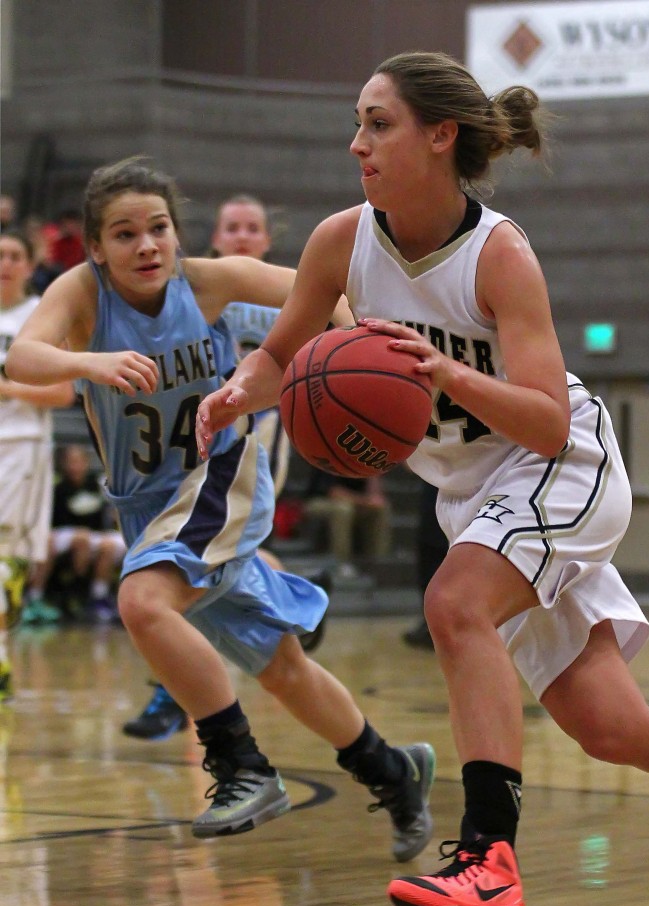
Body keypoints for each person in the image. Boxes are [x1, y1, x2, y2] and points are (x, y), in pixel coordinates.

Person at [194, 52, 649, 906]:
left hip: (562, 465)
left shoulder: (499, 254)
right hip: (476, 494)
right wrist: (237, 392)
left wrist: (446, 370)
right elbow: (284, 355)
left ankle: (487, 857)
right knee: (608, 725)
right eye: (359, 122)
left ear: (439, 135)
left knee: (454, 604)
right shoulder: (342, 241)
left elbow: (547, 423)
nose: (356, 142)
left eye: (378, 123)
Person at [6, 157, 435, 858]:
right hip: (145, 504)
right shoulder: (83, 295)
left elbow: (321, 290)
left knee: (143, 603)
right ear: (94, 247)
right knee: (283, 666)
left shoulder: (208, 282)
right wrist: (89, 363)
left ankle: (242, 768)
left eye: (158, 228)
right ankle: (390, 769)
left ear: (177, 234)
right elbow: (22, 359)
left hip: (216, 478)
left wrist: (358, 347)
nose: (145, 245)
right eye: (123, 234)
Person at [122, 192, 342, 740]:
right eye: (232, 227)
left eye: (251, 228)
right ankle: (292, 598)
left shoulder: (282, 298)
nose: (242, 236)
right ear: (216, 239)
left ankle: (173, 693)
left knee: (195, 560)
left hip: (254, 437)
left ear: (266, 240)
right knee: (203, 562)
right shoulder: (201, 295)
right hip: (186, 440)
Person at [0, 231, 74, 698]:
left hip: (19, 444)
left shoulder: (38, 318)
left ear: (30, 266)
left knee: (5, 557)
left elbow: (63, 391)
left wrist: (8, 389)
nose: (5, 263)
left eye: (14, 256)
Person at [40, 443, 126, 623]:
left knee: (110, 545)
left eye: (79, 461)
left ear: (86, 463)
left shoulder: (96, 485)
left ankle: (99, 596)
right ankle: (76, 590)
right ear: (63, 464)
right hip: (62, 533)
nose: (75, 466)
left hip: (92, 534)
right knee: (82, 539)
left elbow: (109, 514)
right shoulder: (58, 487)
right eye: (71, 462)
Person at [303, 467, 391, 570]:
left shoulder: (365, 459)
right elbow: (334, 492)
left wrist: (374, 475)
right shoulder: (331, 455)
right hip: (319, 501)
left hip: (353, 501)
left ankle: (380, 562)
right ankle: (341, 563)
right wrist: (365, 501)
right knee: (343, 509)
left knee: (381, 508)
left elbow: (375, 495)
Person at [401, 479, 447, 650]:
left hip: (465, 488)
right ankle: (430, 624)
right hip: (436, 487)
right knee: (428, 559)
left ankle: (439, 624)